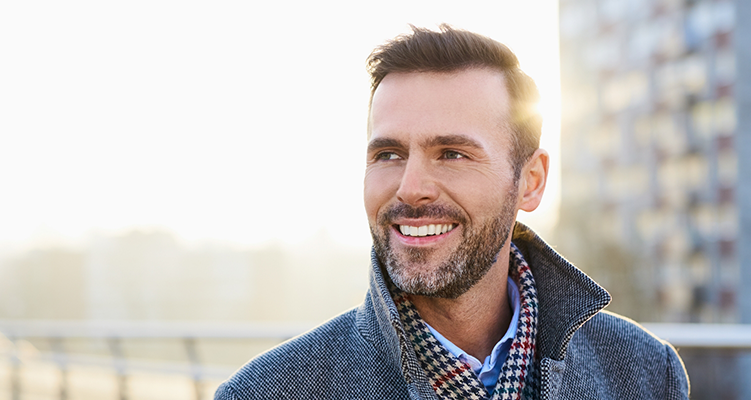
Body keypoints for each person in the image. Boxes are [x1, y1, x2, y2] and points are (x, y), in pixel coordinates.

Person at [215, 24, 690, 400]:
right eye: (388, 154)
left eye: (452, 153)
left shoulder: (645, 373)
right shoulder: (268, 392)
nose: (411, 188)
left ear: (531, 181)